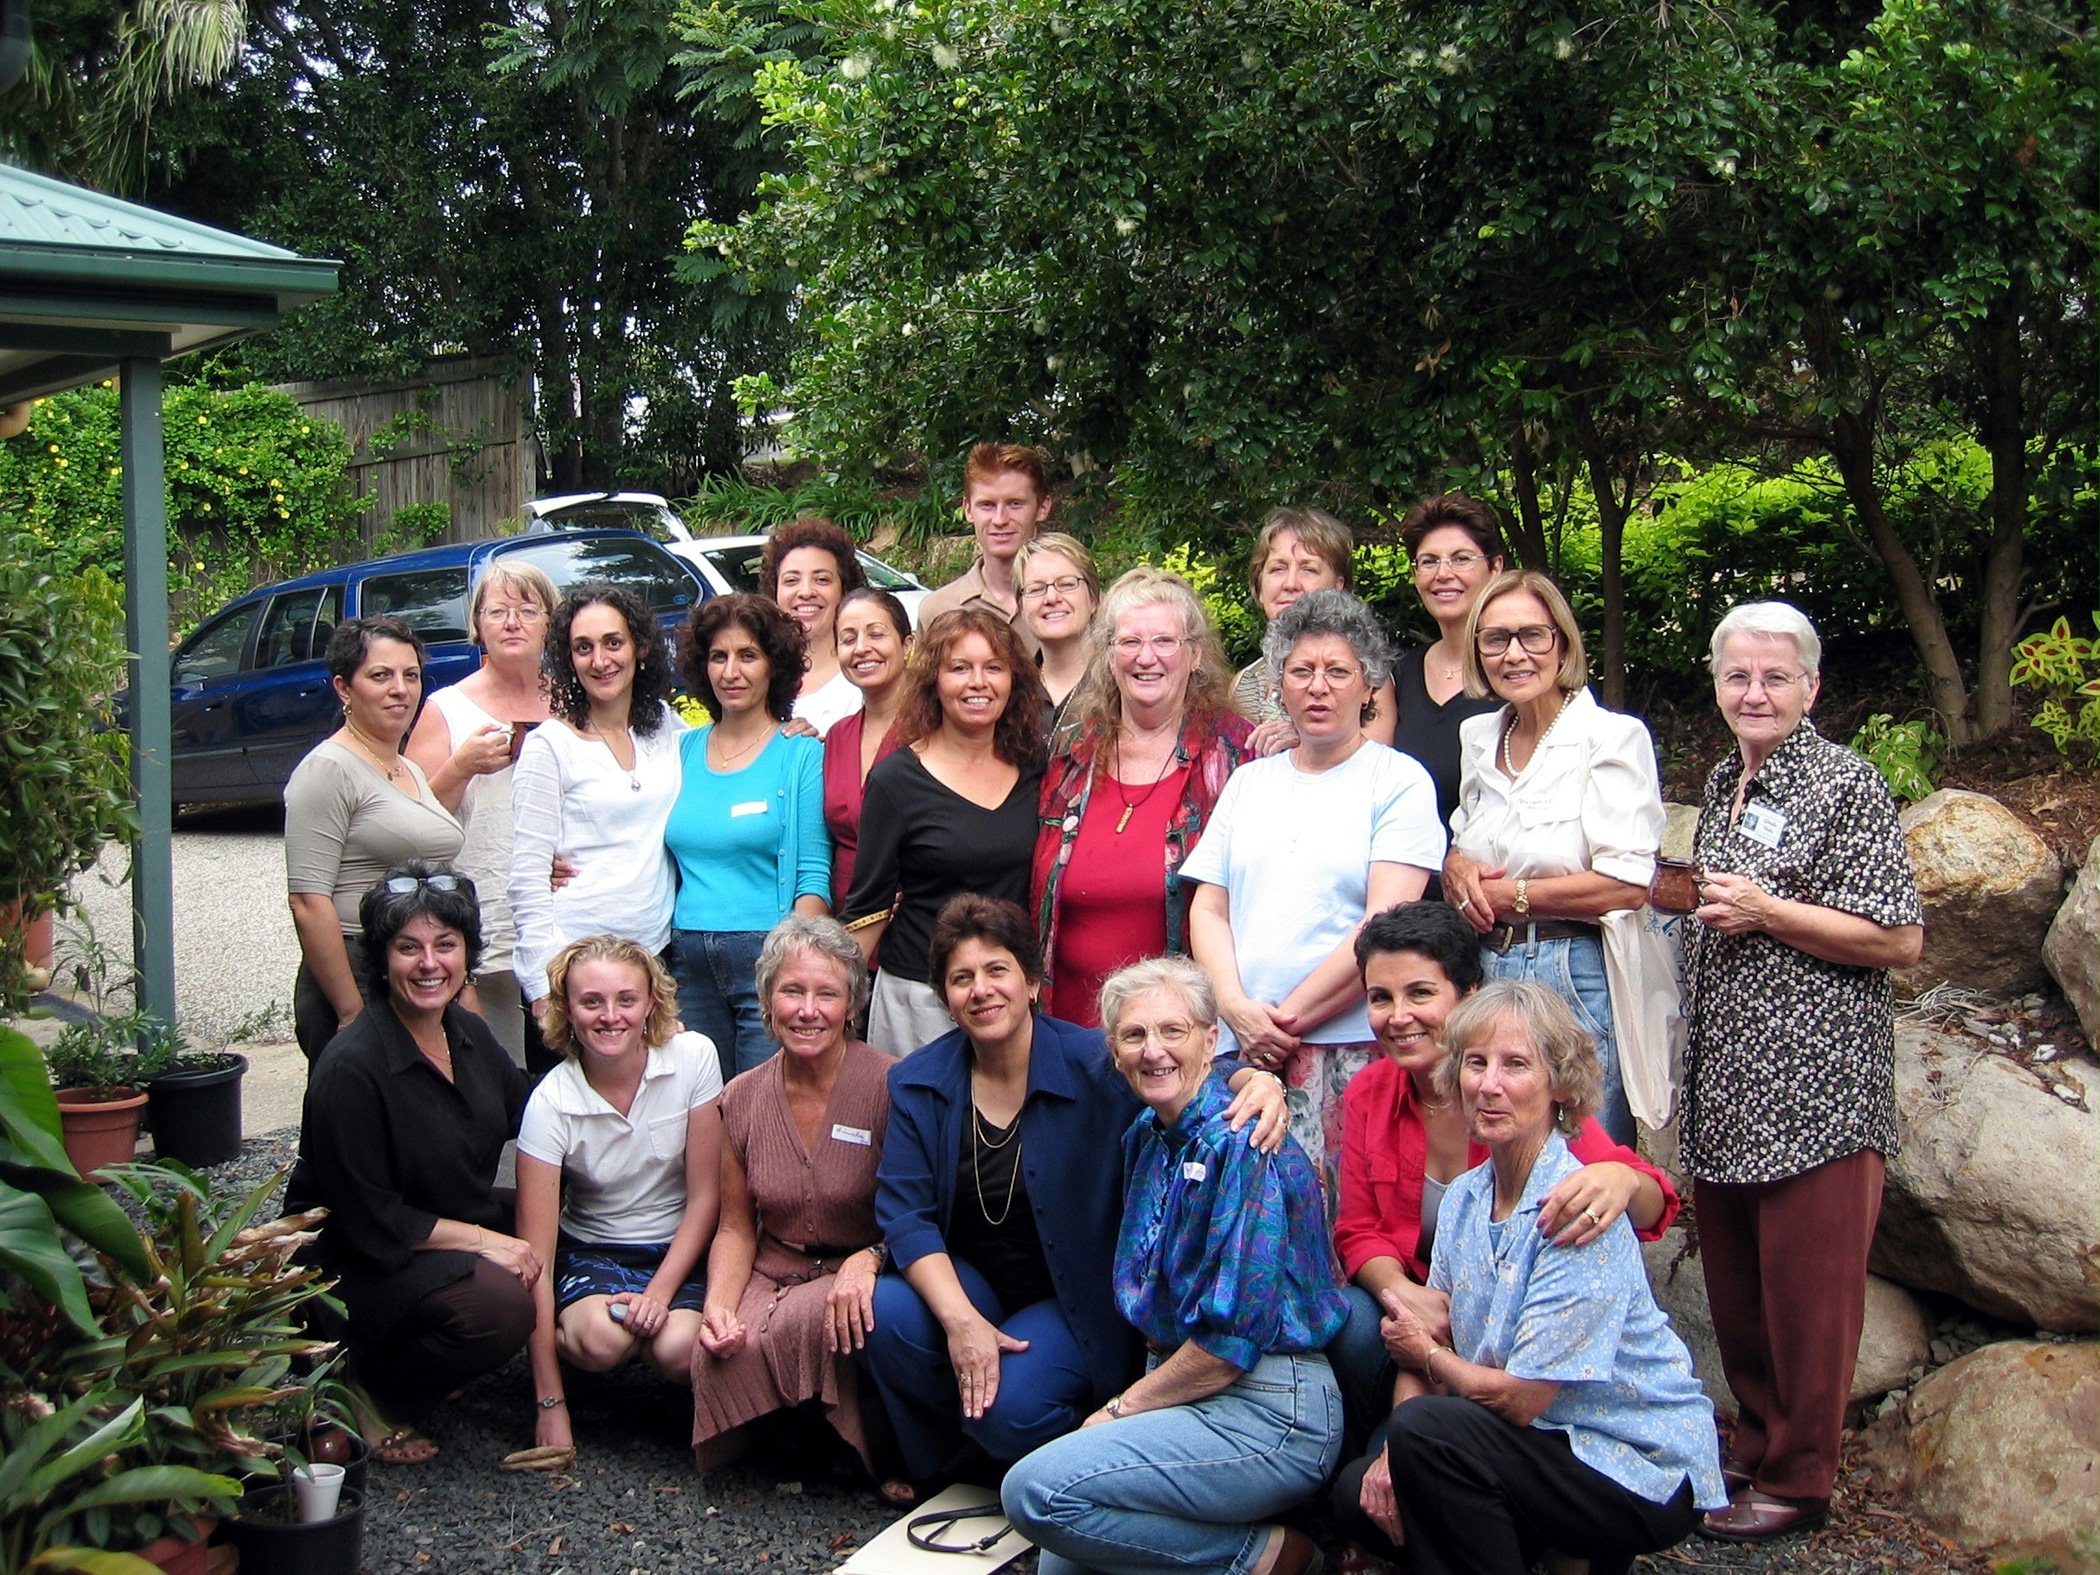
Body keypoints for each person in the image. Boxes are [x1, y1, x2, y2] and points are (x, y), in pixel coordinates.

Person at [862, 897, 1288, 1485]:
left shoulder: (1094, 1060)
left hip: (1072, 1294)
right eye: (961, 979)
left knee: (1008, 1410)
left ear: (1032, 981)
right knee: (884, 1313)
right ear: (946, 998)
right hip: (973, 1287)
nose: (981, 990)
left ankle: (1066, 1471)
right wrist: (961, 1323)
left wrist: (1258, 1079)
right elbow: (906, 1217)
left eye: (997, 971)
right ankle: (948, 1469)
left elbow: (1185, 1072)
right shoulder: (918, 1081)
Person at [1331, 980, 1726, 1574]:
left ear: (1559, 1085)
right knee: (1361, 1490)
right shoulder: (1466, 1199)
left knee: (1430, 1437)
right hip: (1535, 1443)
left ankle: (1571, 1551)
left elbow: (1519, 1398)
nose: (1489, 1085)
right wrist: (1392, 1455)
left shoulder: (1574, 1208)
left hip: (1631, 1457)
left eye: (1515, 1065)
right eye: (1475, 1063)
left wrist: (1425, 1370)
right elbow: (1425, 1346)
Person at [1681, 602, 1924, 1543]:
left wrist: (1772, 911)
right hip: (1731, 1086)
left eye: (1776, 676)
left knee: (1808, 1303)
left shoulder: (1846, 781)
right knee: (1741, 1295)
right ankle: (1754, 1436)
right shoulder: (1722, 780)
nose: (1755, 692)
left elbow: (1900, 938)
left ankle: (1801, 1476)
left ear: (1812, 686)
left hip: (1820, 1089)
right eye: (1738, 675)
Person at [1002, 956, 1347, 1575]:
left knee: (1036, 1494)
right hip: (1183, 1390)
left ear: (1211, 1041)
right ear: (1113, 1050)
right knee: (1063, 1560)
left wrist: (1117, 1412)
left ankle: (1271, 1558)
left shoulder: (1243, 1139)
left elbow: (1228, 1342)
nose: (1153, 1051)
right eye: (1134, 1035)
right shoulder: (1146, 1133)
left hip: (1267, 1405)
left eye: (1173, 1031)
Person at [1328, 902, 1679, 1445]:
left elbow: (1652, 1205)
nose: (1398, 1016)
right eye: (1381, 998)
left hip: (1500, 1325)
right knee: (1349, 1321)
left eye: (1420, 993)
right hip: (1416, 1312)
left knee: (1407, 1463)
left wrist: (1624, 1180)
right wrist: (1401, 1291)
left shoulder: (1509, 1098)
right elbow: (1358, 1229)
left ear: (1467, 995)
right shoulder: (1367, 1094)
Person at [1185, 588, 1446, 1186]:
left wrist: (1283, 1025)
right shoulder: (1250, 782)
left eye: (1337, 671)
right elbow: (1210, 907)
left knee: (1340, 1230)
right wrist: (1234, 1008)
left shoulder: (1398, 781)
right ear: (1279, 684)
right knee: (1251, 1229)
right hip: (1241, 1052)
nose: (1318, 686)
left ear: (1369, 685)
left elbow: (1385, 926)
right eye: (1301, 671)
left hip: (1346, 1050)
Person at [284, 861, 534, 1465]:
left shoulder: (464, 1031)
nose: (429, 964)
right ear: (381, 957)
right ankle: (364, 1393)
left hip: (437, 1221)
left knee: (565, 1230)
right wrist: (487, 1242)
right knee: (502, 1305)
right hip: (355, 1262)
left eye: (445, 945)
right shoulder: (352, 1069)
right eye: (408, 948)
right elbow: (371, 1221)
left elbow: (530, 1108)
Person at [1442, 569, 1663, 1144]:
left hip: (1572, 965)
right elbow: (1467, 839)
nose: (1513, 654)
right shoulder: (1478, 738)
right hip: (1490, 967)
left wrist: (1512, 895)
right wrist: (1457, 867)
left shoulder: (1610, 738)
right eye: (1495, 639)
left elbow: (1628, 882)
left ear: (1560, 643)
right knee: (1499, 1155)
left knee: (1587, 1160)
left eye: (1531, 636)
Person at [692, 917, 896, 1489]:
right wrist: (720, 1305)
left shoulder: (892, 1087)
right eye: (792, 991)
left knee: (814, 1323)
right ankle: (776, 1434)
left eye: (826, 993)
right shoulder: (740, 1097)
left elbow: (917, 1210)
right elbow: (735, 1228)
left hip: (861, 1266)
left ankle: (853, 1447)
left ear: (852, 1003)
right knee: (720, 1345)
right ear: (765, 1001)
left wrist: (873, 1255)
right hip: (773, 1263)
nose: (809, 1010)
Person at [514, 936, 724, 1465]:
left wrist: (659, 1292)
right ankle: (575, 1359)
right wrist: (549, 1402)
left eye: (626, 1000)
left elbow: (705, 1198)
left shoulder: (694, 1058)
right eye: (592, 1002)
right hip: (596, 1248)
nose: (610, 1016)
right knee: (602, 1342)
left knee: (679, 1348)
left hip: (678, 1244)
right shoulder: (550, 1102)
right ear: (566, 1007)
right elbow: (533, 1256)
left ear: (652, 1001)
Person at [1032, 567, 1252, 1025]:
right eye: (1129, 642)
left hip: (1179, 1033)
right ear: (1109, 656)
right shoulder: (1075, 749)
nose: (1145, 657)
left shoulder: (1235, 754)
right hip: (1065, 1027)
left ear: (1195, 655)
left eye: (1164, 641)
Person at [840, 608, 1050, 1052]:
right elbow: (867, 908)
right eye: (960, 668)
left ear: (1014, 681)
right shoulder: (896, 780)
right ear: (934, 680)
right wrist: (835, 1008)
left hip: (1010, 995)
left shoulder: (1037, 769)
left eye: (993, 668)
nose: (978, 682)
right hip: (919, 1001)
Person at [665, 594, 832, 1083]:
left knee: (763, 1111)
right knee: (702, 1112)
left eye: (748, 655)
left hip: (768, 954)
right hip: (686, 959)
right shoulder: (680, 751)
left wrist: (792, 969)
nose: (731, 672)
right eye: (719, 656)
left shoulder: (799, 752)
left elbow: (813, 873)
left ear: (773, 667)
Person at [285, 617, 464, 1064]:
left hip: (416, 964)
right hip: (357, 967)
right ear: (344, 688)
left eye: (411, 675)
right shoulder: (328, 769)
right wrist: (351, 1011)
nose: (400, 689)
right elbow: (308, 900)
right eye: (380, 675)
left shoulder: (407, 768)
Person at [406, 561, 560, 1068]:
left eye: (526, 610)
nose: (511, 622)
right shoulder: (446, 708)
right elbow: (415, 821)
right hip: (482, 904)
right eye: (497, 611)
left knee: (565, 1059)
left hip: (561, 907)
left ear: (550, 623)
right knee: (492, 1063)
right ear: (478, 625)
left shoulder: (573, 701)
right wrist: (461, 766)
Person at [509, 584, 687, 1020]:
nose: (600, 660)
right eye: (583, 648)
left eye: (613, 643)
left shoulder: (666, 727)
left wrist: (789, 729)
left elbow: (728, 751)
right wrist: (540, 985)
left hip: (656, 955)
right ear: (569, 660)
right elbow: (527, 878)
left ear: (639, 647)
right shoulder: (548, 747)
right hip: (575, 963)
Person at [1230, 507, 1398, 755]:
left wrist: (1302, 739)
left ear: (1338, 586)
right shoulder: (1245, 683)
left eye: (1308, 569)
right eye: (1278, 568)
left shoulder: (1364, 676)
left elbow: (1372, 770)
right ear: (1259, 586)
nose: (1290, 583)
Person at [1393, 493, 1509, 830]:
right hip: (1405, 876)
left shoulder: (1519, 673)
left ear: (1495, 567)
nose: (1443, 573)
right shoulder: (1398, 676)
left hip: (1494, 876)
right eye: (1428, 561)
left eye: (1461, 559)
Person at [822, 587, 913, 909]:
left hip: (916, 919)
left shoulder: (935, 729)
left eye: (876, 634)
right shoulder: (837, 737)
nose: (861, 649)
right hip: (845, 920)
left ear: (907, 645)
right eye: (848, 639)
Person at [917, 441, 1052, 652]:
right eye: (987, 505)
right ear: (968, 510)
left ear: (1043, 507)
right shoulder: (938, 610)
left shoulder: (1077, 605)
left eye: (1015, 504)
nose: (1000, 519)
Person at [760, 516, 868, 738]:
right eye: (791, 581)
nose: (806, 592)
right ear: (775, 591)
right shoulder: (756, 672)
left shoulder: (866, 673)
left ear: (845, 589)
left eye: (821, 580)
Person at [1015, 531, 1100, 731]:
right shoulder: (1012, 692)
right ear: (1020, 607)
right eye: (1036, 589)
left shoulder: (1121, 687)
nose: (1051, 598)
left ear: (1094, 599)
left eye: (1067, 585)